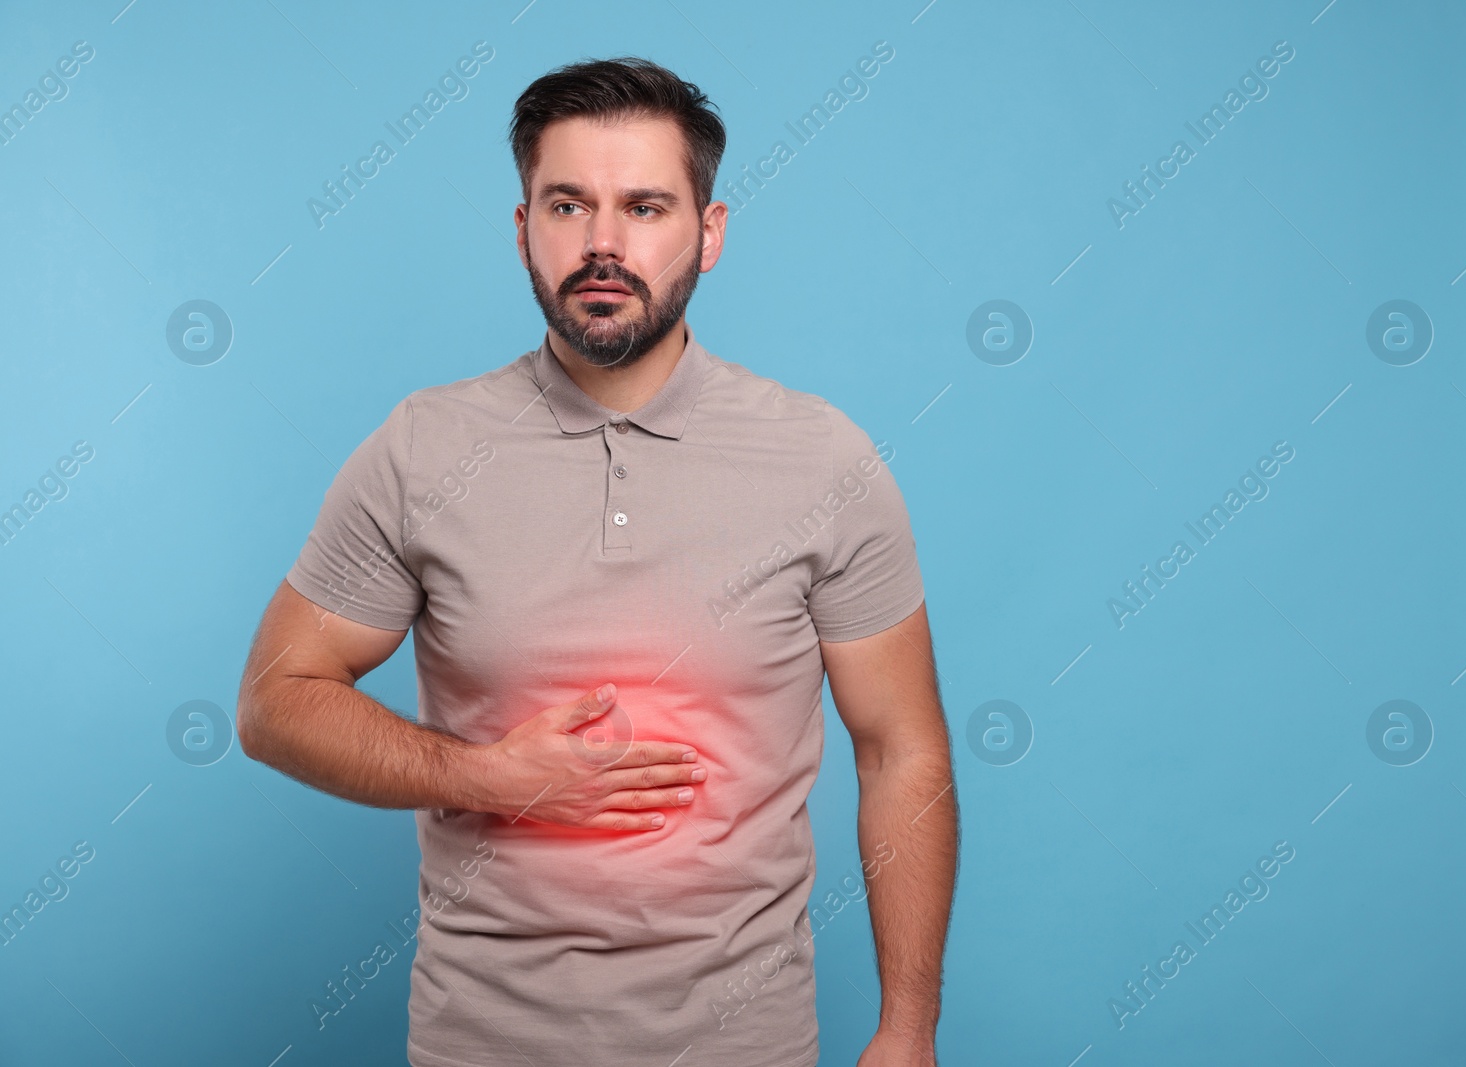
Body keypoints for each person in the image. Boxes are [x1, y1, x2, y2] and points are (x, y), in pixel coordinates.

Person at [237, 55, 957, 1067]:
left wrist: (908, 1028)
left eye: (646, 207)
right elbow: (274, 700)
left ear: (708, 236)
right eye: (567, 204)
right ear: (522, 225)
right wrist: (488, 773)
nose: (604, 245)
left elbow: (901, 751)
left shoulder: (823, 459)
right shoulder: (421, 449)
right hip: (478, 1042)